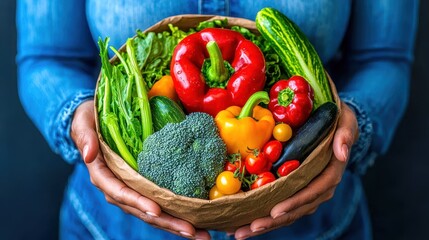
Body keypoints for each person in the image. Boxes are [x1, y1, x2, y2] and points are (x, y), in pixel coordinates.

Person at [16, 0, 419, 239]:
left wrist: (355, 124)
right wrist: (74, 116)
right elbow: (48, 58)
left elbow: (382, 58)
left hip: (317, 227)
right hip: (112, 229)